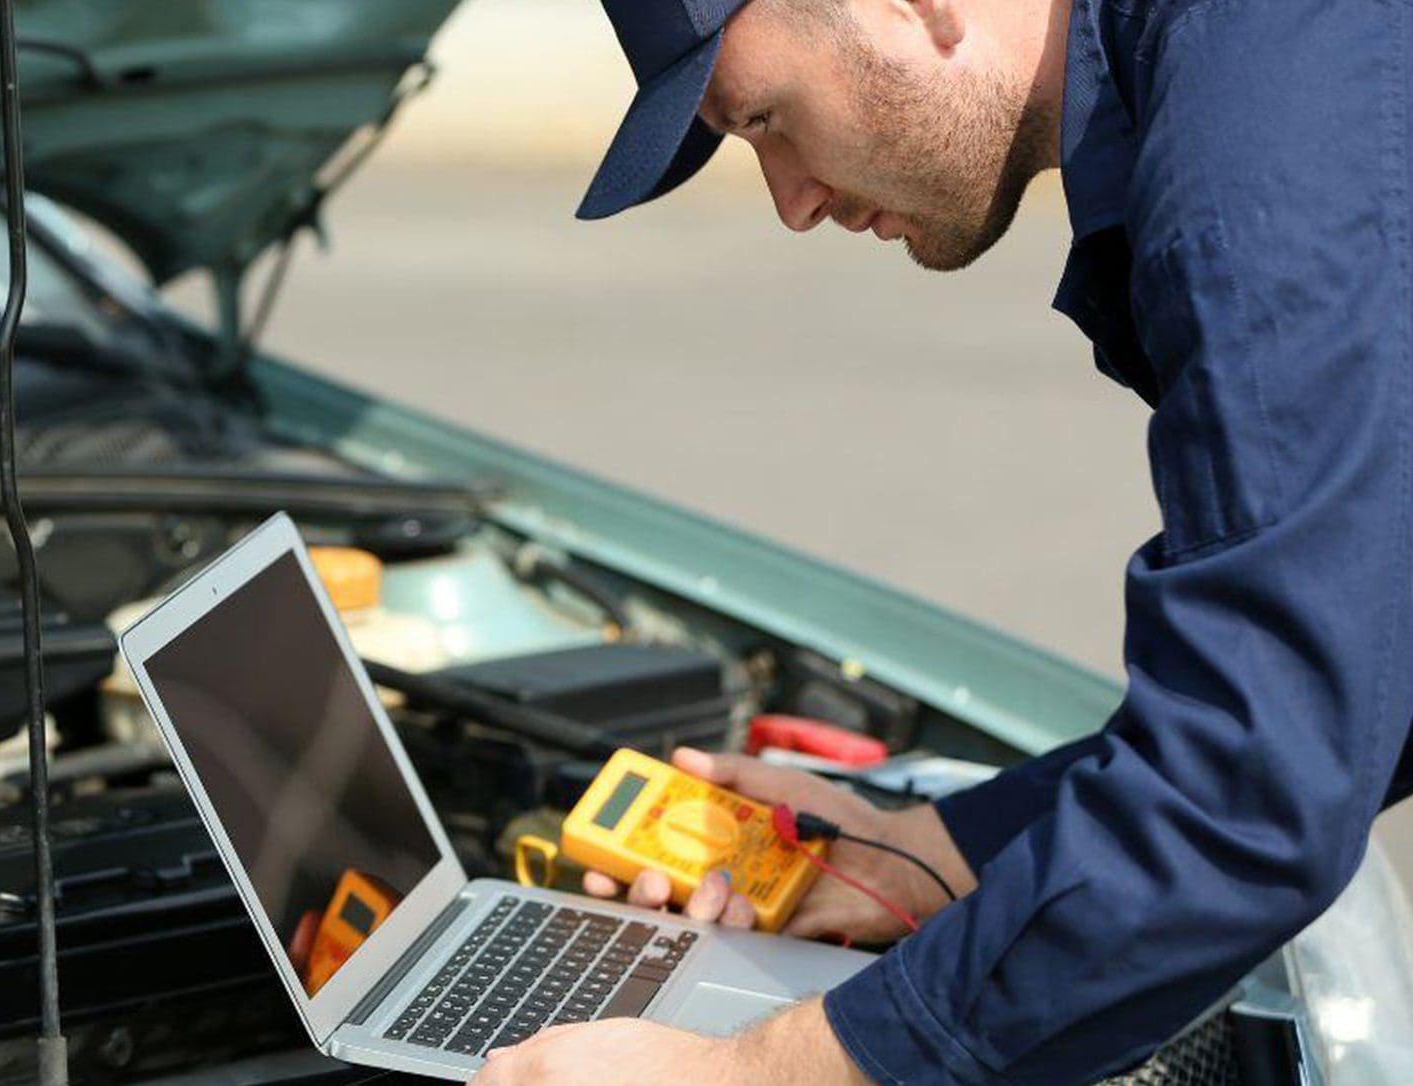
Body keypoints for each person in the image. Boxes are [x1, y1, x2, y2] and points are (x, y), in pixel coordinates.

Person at [469, 0, 1413, 1083]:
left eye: (767, 118)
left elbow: (1250, 787)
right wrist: (928, 855)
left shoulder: (1261, 157)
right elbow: (1369, 641)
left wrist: (755, 1075)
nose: (789, 202)